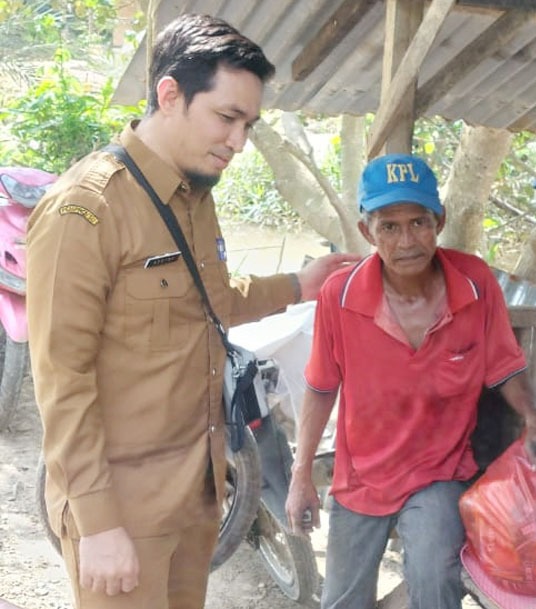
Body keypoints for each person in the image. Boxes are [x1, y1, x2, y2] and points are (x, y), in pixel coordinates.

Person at [27, 13, 358, 609]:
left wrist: (297, 284)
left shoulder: (194, 195)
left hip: (197, 489)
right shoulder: (85, 211)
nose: (238, 141)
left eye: (249, 124)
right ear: (170, 94)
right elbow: (61, 381)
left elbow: (211, 301)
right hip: (123, 506)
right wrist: (99, 524)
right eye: (227, 118)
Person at [285, 153, 536, 609]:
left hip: (439, 472)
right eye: (389, 226)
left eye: (419, 222)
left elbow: (503, 365)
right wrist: (301, 473)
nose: (407, 240)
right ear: (368, 232)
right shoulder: (340, 296)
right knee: (341, 602)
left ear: (439, 222)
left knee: (435, 585)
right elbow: (321, 387)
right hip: (362, 476)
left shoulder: (474, 282)